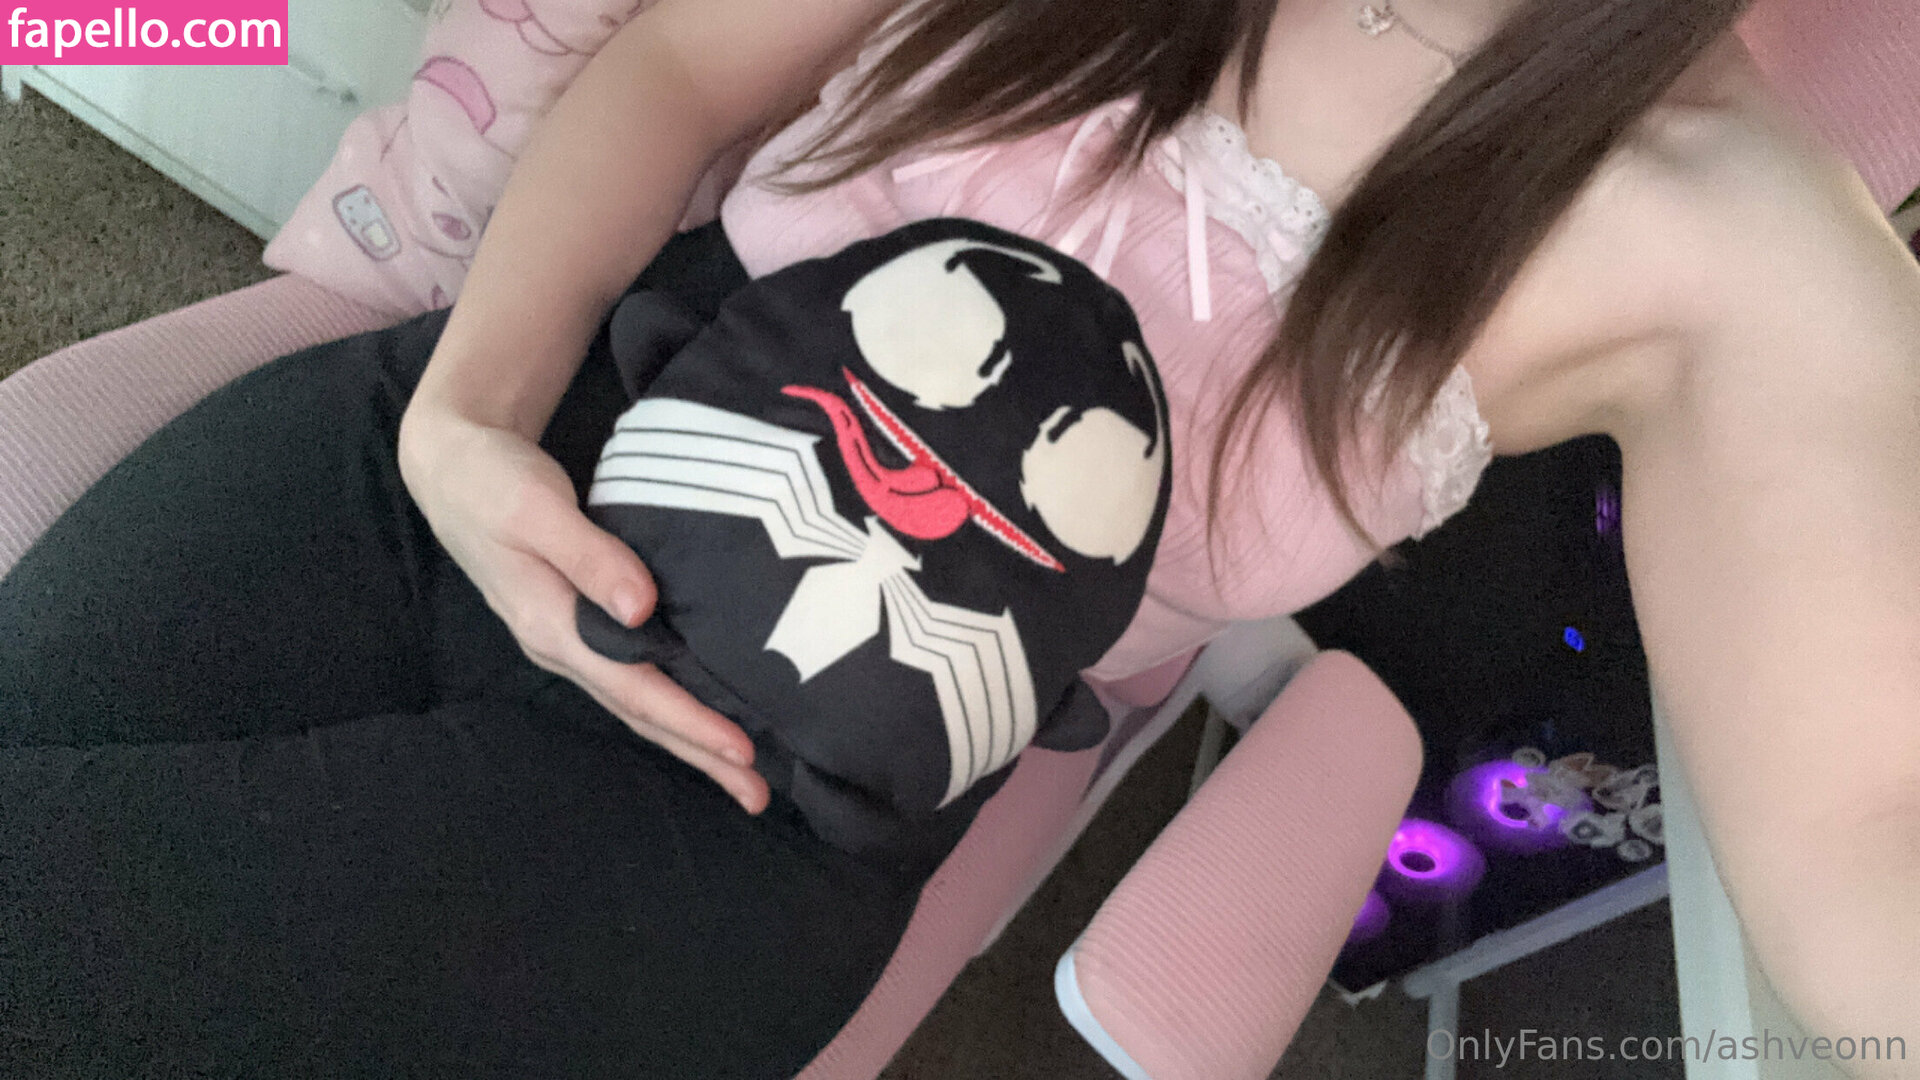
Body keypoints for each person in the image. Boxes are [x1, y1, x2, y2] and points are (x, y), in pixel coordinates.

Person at [2, 0, 1916, 1076]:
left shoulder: (1727, 236)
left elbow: (1868, 854)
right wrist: (465, 416)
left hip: (744, 808)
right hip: (487, 458)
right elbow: (686, 70)